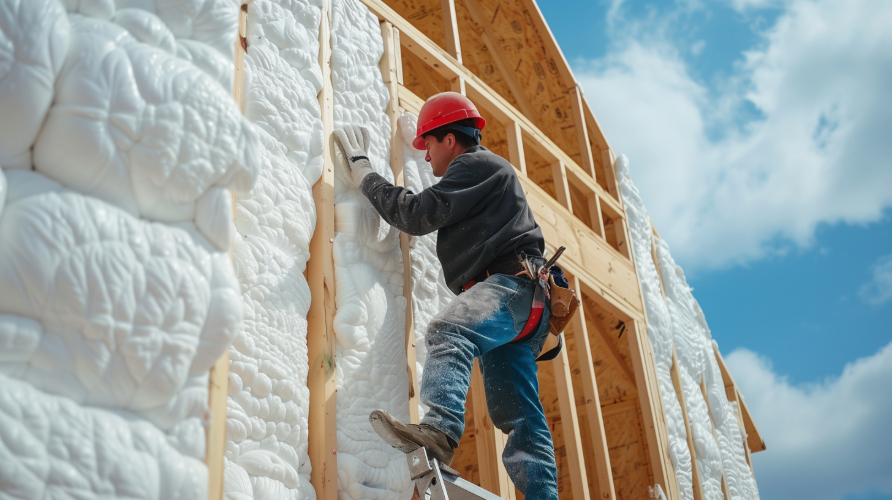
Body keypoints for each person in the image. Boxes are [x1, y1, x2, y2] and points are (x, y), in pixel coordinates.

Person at [333, 92, 558, 500]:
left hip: (510, 287)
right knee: (519, 413)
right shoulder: (484, 174)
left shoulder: (475, 164)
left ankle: (440, 430)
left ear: (450, 140)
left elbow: (416, 214)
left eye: (429, 145)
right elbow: (436, 204)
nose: (428, 157)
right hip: (524, 298)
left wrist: (365, 174)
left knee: (448, 330)